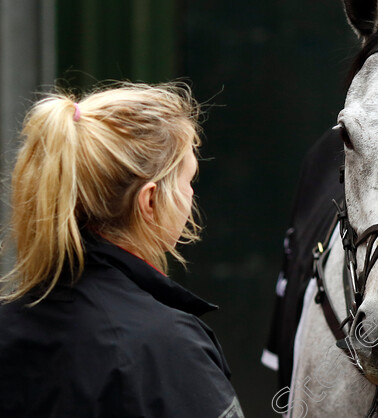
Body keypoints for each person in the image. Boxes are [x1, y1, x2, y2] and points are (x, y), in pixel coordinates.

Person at [0, 82, 244, 417]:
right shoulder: (166, 346)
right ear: (150, 200)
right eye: (189, 179)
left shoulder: (10, 325)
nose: (191, 196)